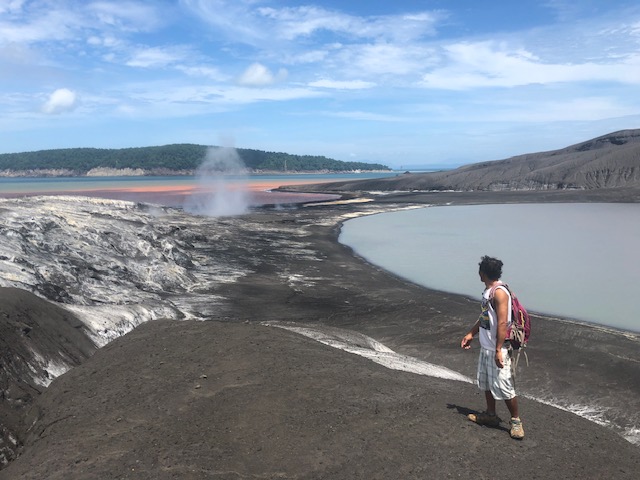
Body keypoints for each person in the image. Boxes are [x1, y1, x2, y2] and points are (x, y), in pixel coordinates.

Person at [460, 255, 524, 440]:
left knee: (505, 386)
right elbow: (485, 318)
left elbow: (503, 322)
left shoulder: (499, 293)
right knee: (487, 382)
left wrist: (498, 349)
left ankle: (516, 422)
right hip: (487, 347)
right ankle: (490, 414)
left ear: (482, 273)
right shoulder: (488, 292)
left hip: (498, 348)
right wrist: (471, 334)